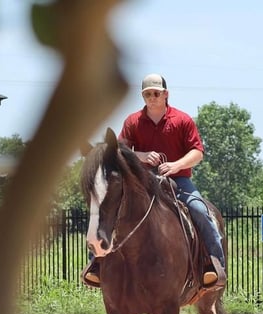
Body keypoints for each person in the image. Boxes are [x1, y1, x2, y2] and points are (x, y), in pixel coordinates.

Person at [84, 73, 227, 289]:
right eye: (147, 94)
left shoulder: (182, 120)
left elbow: (197, 152)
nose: (152, 98)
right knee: (110, 207)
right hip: (142, 182)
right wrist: (141, 156)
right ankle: (97, 265)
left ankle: (214, 266)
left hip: (178, 180)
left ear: (165, 94)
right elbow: (119, 152)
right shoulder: (133, 121)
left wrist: (176, 165)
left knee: (199, 210)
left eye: (156, 93)